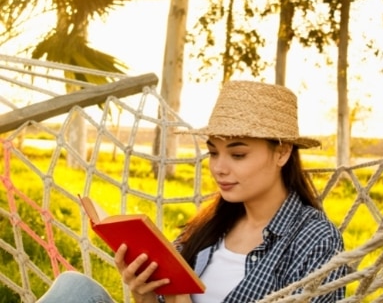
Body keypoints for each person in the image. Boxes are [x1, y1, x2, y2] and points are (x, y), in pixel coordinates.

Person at [37, 80, 346, 303]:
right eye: (213, 153)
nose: (219, 168)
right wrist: (143, 295)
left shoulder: (314, 239)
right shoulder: (209, 227)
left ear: (282, 153)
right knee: (74, 288)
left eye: (237, 155)